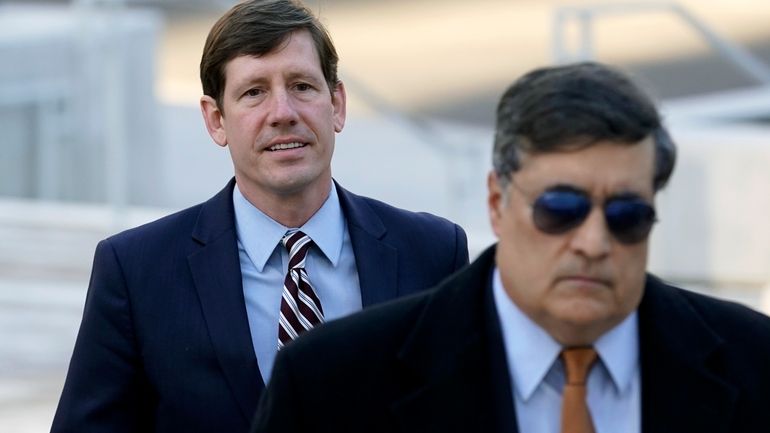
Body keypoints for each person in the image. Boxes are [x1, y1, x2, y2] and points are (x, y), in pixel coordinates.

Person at [251, 62, 770, 433]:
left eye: (626, 216)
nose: (593, 243)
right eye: (561, 210)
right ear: (497, 202)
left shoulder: (754, 363)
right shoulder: (331, 384)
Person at [50, 1, 468, 432]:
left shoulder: (434, 253)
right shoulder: (137, 272)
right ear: (216, 120)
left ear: (337, 104)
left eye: (302, 86)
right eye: (254, 93)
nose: (283, 113)